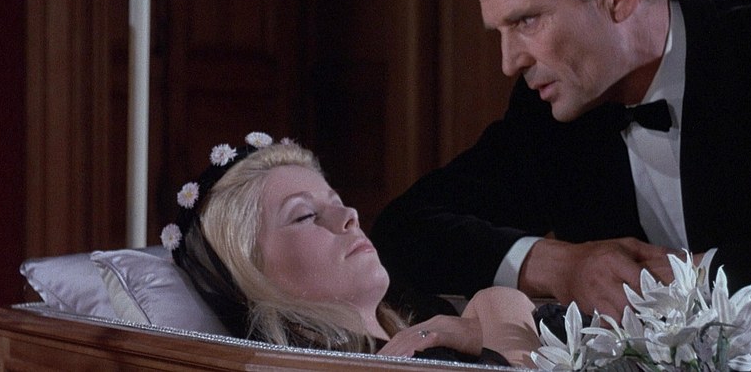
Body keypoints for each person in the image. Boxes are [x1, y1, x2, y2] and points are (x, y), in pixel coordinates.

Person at [370, 0, 751, 322]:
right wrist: (558, 265)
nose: (509, 62)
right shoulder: (549, 107)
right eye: (501, 31)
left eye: (526, 21)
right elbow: (405, 229)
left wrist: (698, 274)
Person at [161, 132, 541, 368]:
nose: (349, 216)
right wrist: (502, 313)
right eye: (305, 215)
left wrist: (482, 322)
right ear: (251, 271)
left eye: (338, 202)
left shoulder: (450, 323)